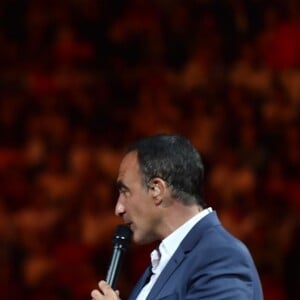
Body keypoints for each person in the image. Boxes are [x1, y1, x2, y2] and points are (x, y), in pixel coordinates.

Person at [91, 134, 263, 300]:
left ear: (157, 190)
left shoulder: (222, 255)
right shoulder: (159, 265)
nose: (118, 209)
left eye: (125, 192)